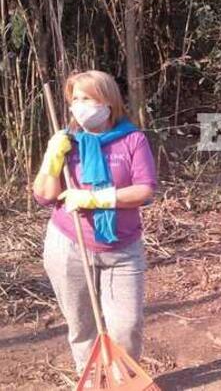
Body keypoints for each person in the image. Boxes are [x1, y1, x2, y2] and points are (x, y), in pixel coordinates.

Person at [32, 70, 157, 375]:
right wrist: (51, 159)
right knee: (82, 326)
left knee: (126, 326)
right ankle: (89, 380)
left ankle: (122, 380)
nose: (79, 105)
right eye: (74, 99)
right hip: (69, 245)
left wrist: (95, 199)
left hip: (123, 249)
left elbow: (144, 190)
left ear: (108, 101)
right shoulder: (67, 141)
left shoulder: (133, 140)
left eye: (87, 97)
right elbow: (45, 196)